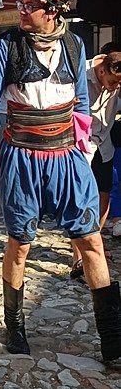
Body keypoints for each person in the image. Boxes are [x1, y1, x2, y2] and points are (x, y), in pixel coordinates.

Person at [0, 0, 121, 370]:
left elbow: (82, 104)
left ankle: (113, 341)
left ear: (53, 10)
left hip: (67, 155)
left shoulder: (74, 44)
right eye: (20, 3)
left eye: (30, 5)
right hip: (21, 154)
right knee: (20, 242)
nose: (22, 10)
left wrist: (84, 150)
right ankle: (15, 327)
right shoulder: (7, 45)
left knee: (91, 241)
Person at [70, 52, 121, 278]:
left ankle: (94, 242)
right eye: (112, 81)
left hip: (104, 144)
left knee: (104, 195)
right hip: (82, 146)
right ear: (101, 71)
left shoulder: (117, 81)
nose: (115, 87)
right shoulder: (80, 76)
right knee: (81, 200)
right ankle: (78, 255)